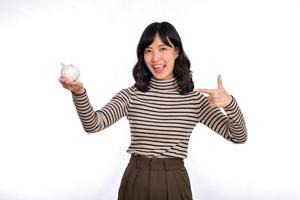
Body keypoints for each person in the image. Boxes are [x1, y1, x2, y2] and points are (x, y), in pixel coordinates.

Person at [58, 21, 247, 200]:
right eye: (148, 51)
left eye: (163, 49)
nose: (155, 58)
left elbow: (238, 136)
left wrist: (230, 103)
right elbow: (93, 125)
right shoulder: (130, 95)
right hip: (136, 179)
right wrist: (79, 93)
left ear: (176, 52)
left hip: (174, 182)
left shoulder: (194, 100)